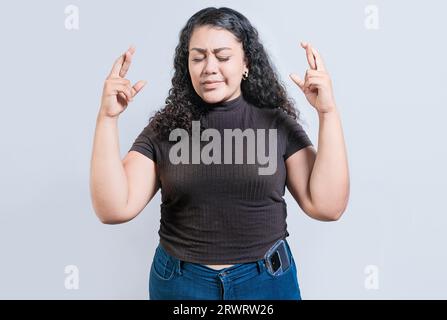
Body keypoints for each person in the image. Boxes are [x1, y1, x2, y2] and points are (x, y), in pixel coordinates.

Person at [90, 7, 350, 300]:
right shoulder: (165, 129)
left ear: (246, 63)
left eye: (223, 57)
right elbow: (114, 208)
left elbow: (328, 206)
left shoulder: (277, 124)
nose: (209, 68)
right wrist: (107, 118)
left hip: (265, 282)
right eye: (198, 57)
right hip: (181, 284)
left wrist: (327, 113)